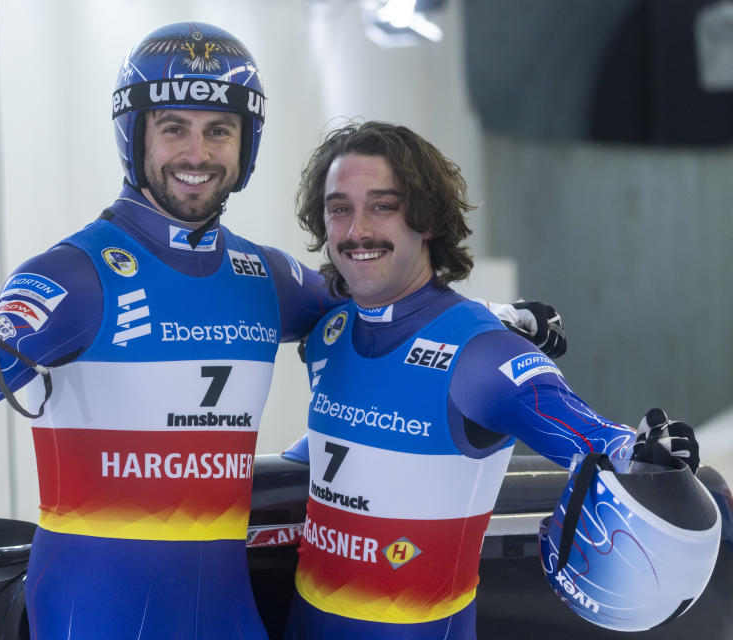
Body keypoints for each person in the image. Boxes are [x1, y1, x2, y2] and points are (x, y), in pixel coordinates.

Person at [0, 24, 559, 639]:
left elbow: (379, 308)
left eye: (220, 129)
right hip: (97, 609)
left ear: (245, 144)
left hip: (223, 611)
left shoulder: (261, 276)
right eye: (173, 129)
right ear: (135, 136)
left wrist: (498, 326)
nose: (197, 154)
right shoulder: (75, 274)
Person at [280, 121, 699, 640]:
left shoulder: (482, 354)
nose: (356, 229)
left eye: (382, 205)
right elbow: (335, 451)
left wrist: (647, 453)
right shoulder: (332, 332)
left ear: (427, 219)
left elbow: (591, 435)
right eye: (339, 208)